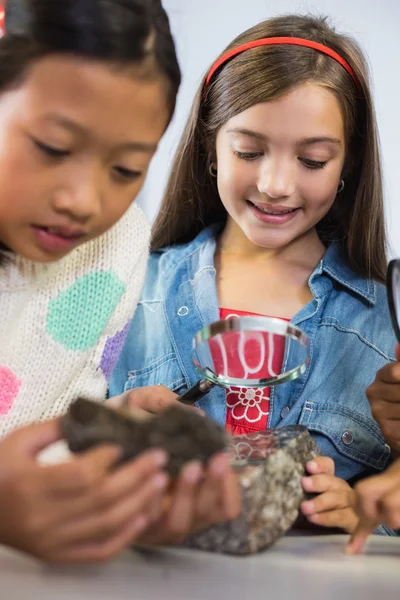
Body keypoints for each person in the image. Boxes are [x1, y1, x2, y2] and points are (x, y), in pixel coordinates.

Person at [109, 13, 398, 535]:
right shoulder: (129, 291)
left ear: (347, 165)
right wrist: (111, 435)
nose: (275, 184)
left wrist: (361, 512)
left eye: (312, 160)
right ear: (211, 147)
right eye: (249, 151)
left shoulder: (384, 330)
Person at [0, 0, 240, 564]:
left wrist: (111, 456)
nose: (83, 201)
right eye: (53, 148)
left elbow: (34, 415)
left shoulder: (116, 244)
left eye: (127, 169)